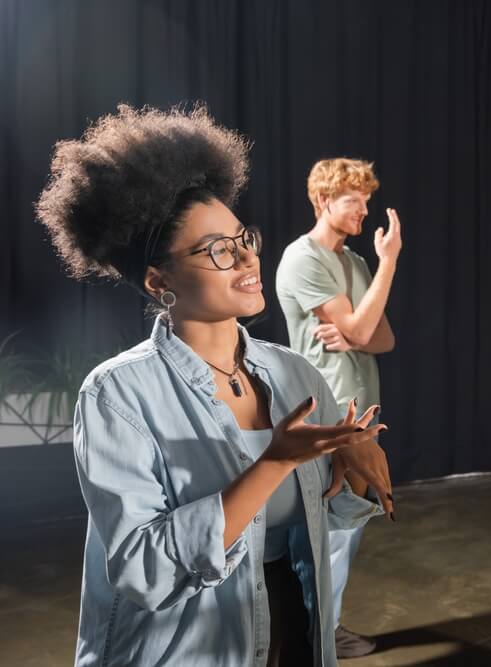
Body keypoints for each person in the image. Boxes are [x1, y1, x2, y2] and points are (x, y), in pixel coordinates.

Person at [36, 104, 395, 667]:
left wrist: (350, 465)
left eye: (242, 237)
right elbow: (142, 570)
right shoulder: (117, 395)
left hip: (293, 628)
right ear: (160, 282)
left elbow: (324, 521)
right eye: (217, 250)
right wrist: (273, 463)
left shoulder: (293, 374)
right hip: (182, 648)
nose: (248, 257)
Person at [275, 157, 399, 658]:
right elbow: (367, 329)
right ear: (324, 201)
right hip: (326, 418)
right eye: (355, 202)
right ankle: (311, 636)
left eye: (367, 202)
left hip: (360, 418)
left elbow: (382, 337)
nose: (365, 212)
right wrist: (390, 261)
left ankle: (326, 628)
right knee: (322, 535)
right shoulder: (303, 259)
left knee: (344, 532)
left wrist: (354, 336)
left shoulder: (355, 264)